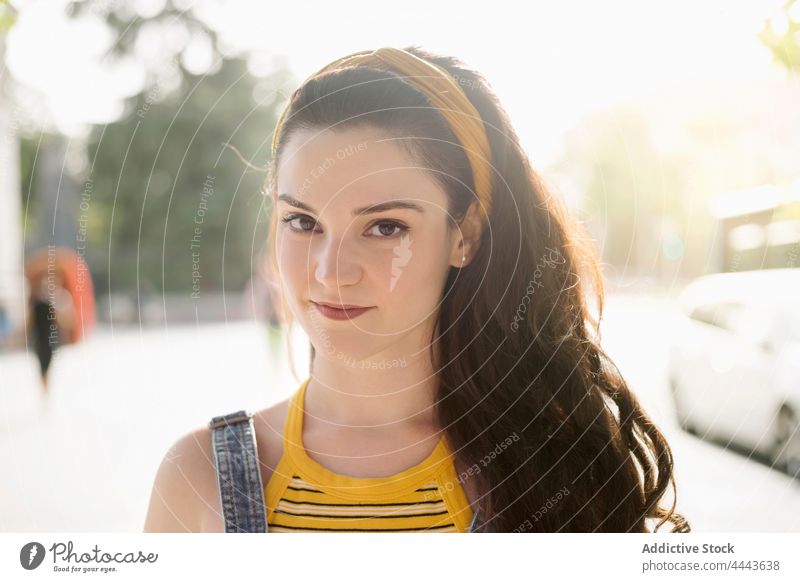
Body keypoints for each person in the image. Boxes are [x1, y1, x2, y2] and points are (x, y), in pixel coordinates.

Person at [144, 46, 691, 533]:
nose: (331, 271)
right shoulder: (197, 481)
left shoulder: (549, 469)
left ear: (465, 235)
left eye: (385, 227)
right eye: (302, 221)